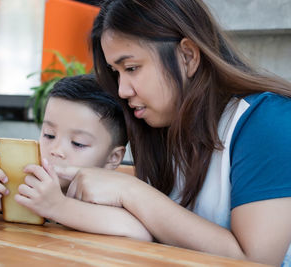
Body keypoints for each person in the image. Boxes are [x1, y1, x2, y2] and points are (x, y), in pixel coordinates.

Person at [50, 1, 291, 266]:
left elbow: (256, 259)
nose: (122, 90)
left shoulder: (268, 120)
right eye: (115, 73)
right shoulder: (162, 126)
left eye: (131, 68)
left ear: (187, 56)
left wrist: (131, 192)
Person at [0, 74, 152, 241]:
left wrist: (58, 206)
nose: (56, 150)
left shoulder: (108, 196)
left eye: (78, 143)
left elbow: (138, 231)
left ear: (113, 158)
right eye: (49, 135)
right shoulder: (31, 184)